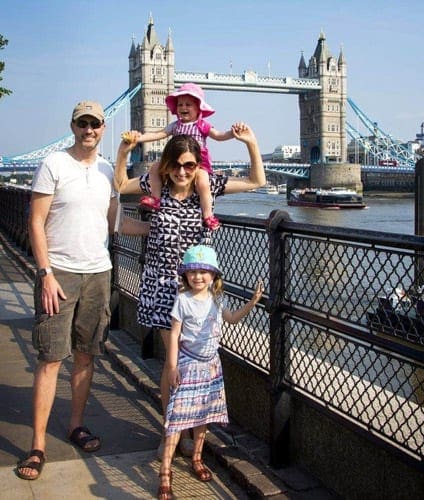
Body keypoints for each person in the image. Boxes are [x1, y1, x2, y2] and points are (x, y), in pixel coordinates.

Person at [114, 123, 266, 459]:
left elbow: (258, 181)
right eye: (177, 165)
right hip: (162, 288)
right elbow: (121, 184)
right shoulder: (157, 188)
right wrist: (125, 150)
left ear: (197, 167)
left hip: (197, 293)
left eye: (190, 165)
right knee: (173, 368)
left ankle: (186, 432)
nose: (183, 171)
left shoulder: (205, 189)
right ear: (166, 165)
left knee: (194, 366)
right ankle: (171, 434)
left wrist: (251, 143)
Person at [16, 101, 118, 480]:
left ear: (104, 128)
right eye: (83, 123)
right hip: (59, 274)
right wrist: (44, 274)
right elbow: (36, 221)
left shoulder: (109, 170)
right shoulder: (53, 165)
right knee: (50, 359)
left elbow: (114, 223)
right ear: (73, 126)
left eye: (95, 124)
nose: (89, 129)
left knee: (86, 356)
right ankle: (37, 445)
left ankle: (75, 426)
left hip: (99, 273)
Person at [156, 244, 264, 498]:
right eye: (192, 272)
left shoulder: (217, 299)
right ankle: (165, 470)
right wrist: (172, 366)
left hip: (210, 364)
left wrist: (253, 302)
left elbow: (232, 319)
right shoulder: (182, 300)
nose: (198, 277)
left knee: (203, 416)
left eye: (204, 272)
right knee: (177, 418)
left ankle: (196, 457)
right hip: (188, 362)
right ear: (185, 275)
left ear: (214, 276)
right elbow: (174, 335)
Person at [122, 82, 235, 231]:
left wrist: (233, 133)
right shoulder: (175, 125)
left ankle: (207, 215)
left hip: (197, 164)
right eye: (180, 105)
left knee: (203, 183)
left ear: (198, 108)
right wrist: (137, 138)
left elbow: (220, 136)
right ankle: (155, 199)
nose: (183, 108)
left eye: (188, 105)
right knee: (155, 167)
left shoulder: (202, 125)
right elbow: (157, 134)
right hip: (175, 161)